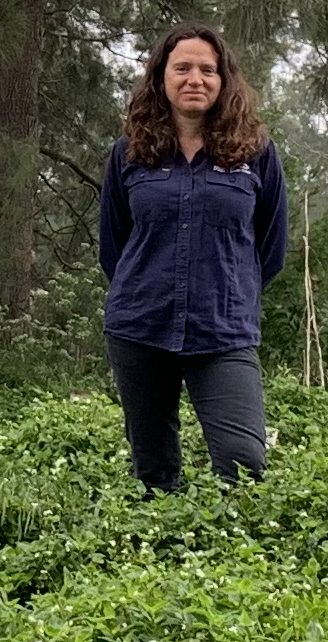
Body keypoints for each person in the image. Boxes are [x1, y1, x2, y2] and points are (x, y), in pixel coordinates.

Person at [96, 24, 289, 490]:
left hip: (222, 332)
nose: (195, 78)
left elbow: (270, 247)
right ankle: (162, 556)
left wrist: (227, 290)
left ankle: (228, 557)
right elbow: (115, 245)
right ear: (162, 77)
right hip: (140, 328)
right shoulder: (129, 155)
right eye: (182, 68)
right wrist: (147, 285)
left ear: (224, 82)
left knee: (244, 468)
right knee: (154, 473)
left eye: (207, 69)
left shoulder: (257, 155)